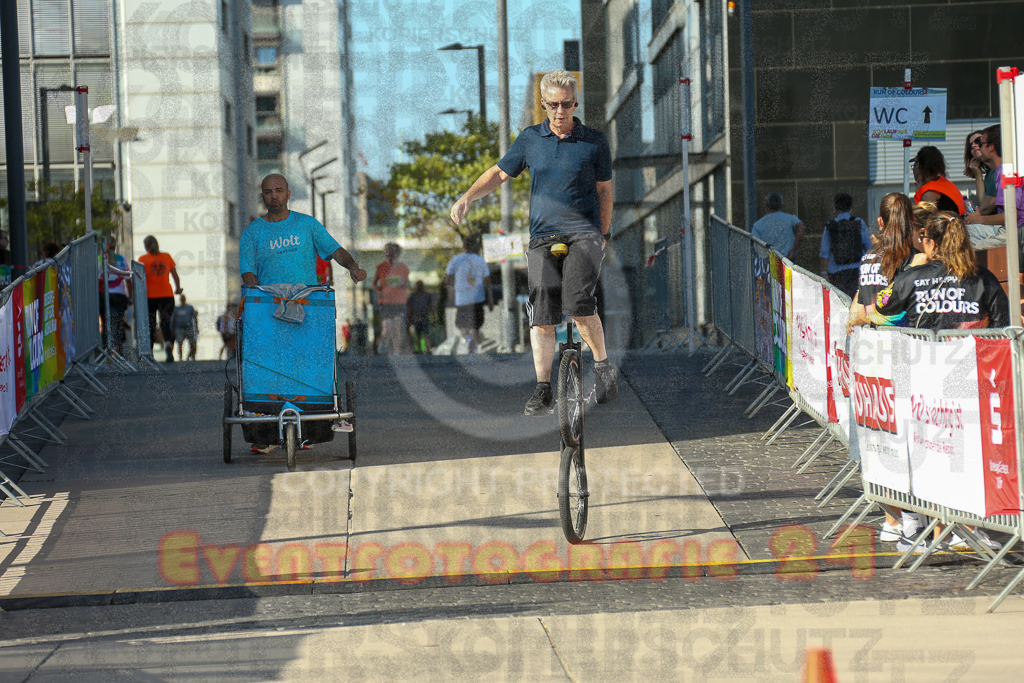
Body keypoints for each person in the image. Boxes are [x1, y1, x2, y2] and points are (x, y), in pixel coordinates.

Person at [450, 69, 618, 414]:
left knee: (577, 302)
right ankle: (543, 388)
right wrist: (468, 196)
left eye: (567, 104)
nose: (560, 112)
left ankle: (602, 367)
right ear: (543, 105)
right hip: (543, 237)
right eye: (553, 105)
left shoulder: (594, 141)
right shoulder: (530, 139)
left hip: (585, 234)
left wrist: (602, 235)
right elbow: (499, 173)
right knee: (541, 312)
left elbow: (604, 191)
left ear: (575, 103)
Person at [869, 212, 1009, 330]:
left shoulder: (909, 279)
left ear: (933, 244)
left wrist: (910, 269)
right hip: (974, 358)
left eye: (924, 237)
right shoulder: (985, 278)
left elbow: (881, 309)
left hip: (924, 358)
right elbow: (1003, 321)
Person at [240, 174, 365, 288]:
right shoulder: (251, 232)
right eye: (268, 192)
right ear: (262, 197)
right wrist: (260, 297)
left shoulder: (308, 224)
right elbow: (247, 272)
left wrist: (353, 268)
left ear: (288, 194)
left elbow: (335, 250)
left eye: (279, 191)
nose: (274, 196)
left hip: (306, 302)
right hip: (270, 305)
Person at [444, 236, 493, 354]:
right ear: (475, 246)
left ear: (463, 246)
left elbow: (447, 280)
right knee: (476, 325)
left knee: (461, 324)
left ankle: (468, 339)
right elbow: (488, 282)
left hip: (462, 298)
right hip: (477, 297)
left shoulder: (456, 260)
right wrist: (490, 299)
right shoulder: (480, 260)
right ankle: (475, 349)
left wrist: (451, 290)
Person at [818, 193, 871, 297]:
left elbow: (824, 252)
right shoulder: (859, 222)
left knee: (839, 302)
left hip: (836, 272)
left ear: (835, 208)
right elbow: (869, 245)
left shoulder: (830, 225)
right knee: (856, 300)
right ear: (851, 207)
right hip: (856, 270)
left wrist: (824, 273)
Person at [138, 235, 182, 362]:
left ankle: (150, 353)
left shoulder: (142, 259)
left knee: (151, 324)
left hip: (150, 297)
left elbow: (139, 278)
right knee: (165, 324)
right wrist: (178, 288)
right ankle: (168, 346)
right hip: (167, 296)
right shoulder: (166, 257)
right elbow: (175, 275)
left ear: (146, 246)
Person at [372, 242, 410, 355]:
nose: (389, 253)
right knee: (387, 329)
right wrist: (379, 292)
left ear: (397, 253)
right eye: (387, 250)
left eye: (391, 250)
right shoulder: (381, 267)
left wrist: (404, 283)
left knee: (397, 328)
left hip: (399, 301)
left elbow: (408, 284)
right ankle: (383, 342)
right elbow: (373, 284)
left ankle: (396, 353)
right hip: (385, 302)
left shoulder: (403, 267)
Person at [99, 235, 133, 356]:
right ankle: (118, 351)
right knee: (118, 324)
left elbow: (96, 280)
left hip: (103, 295)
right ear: (115, 247)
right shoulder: (121, 259)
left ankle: (106, 352)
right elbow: (128, 279)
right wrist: (131, 297)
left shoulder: (99, 259)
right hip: (119, 295)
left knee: (105, 324)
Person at [912, 146, 966, 215]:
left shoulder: (928, 193)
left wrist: (919, 191)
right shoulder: (945, 183)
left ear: (918, 166)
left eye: (913, 166)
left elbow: (927, 221)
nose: (913, 170)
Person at [751, 192, 805, 261]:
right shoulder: (790, 218)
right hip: (787, 260)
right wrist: (793, 250)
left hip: (767, 261)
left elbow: (754, 244)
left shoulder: (758, 224)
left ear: (766, 205)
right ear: (782, 205)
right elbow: (802, 228)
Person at [963, 130, 995, 215]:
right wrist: (978, 175)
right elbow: (982, 204)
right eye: (970, 145)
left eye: (978, 141)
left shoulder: (999, 170)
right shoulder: (989, 175)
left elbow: (985, 210)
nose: (973, 145)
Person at [407, 280, 436, 354]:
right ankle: (419, 350)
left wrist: (434, 318)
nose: (419, 287)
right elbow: (410, 307)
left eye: (421, 285)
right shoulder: (413, 295)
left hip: (425, 317)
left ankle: (428, 349)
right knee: (417, 335)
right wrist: (409, 319)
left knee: (426, 334)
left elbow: (431, 306)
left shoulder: (427, 295)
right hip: (416, 317)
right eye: (418, 285)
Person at [170, 293, 198, 361]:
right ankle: (180, 358)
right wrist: (173, 330)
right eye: (181, 298)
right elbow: (174, 319)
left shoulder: (189, 307)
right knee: (179, 343)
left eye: (183, 298)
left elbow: (194, 317)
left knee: (193, 343)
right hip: (179, 328)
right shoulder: (176, 308)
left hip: (189, 327)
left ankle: (191, 356)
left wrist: (196, 328)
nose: (183, 300)